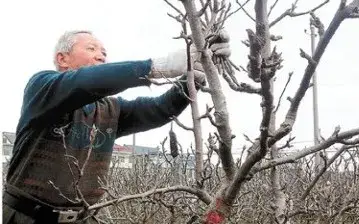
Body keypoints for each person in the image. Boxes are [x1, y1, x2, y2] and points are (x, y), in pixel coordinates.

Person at [3, 30, 231, 223]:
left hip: (86, 218)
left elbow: (159, 109)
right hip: (26, 216)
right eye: (91, 49)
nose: (101, 55)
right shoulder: (42, 89)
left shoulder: (111, 110)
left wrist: (196, 74)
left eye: (104, 52)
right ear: (62, 59)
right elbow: (86, 81)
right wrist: (157, 67)